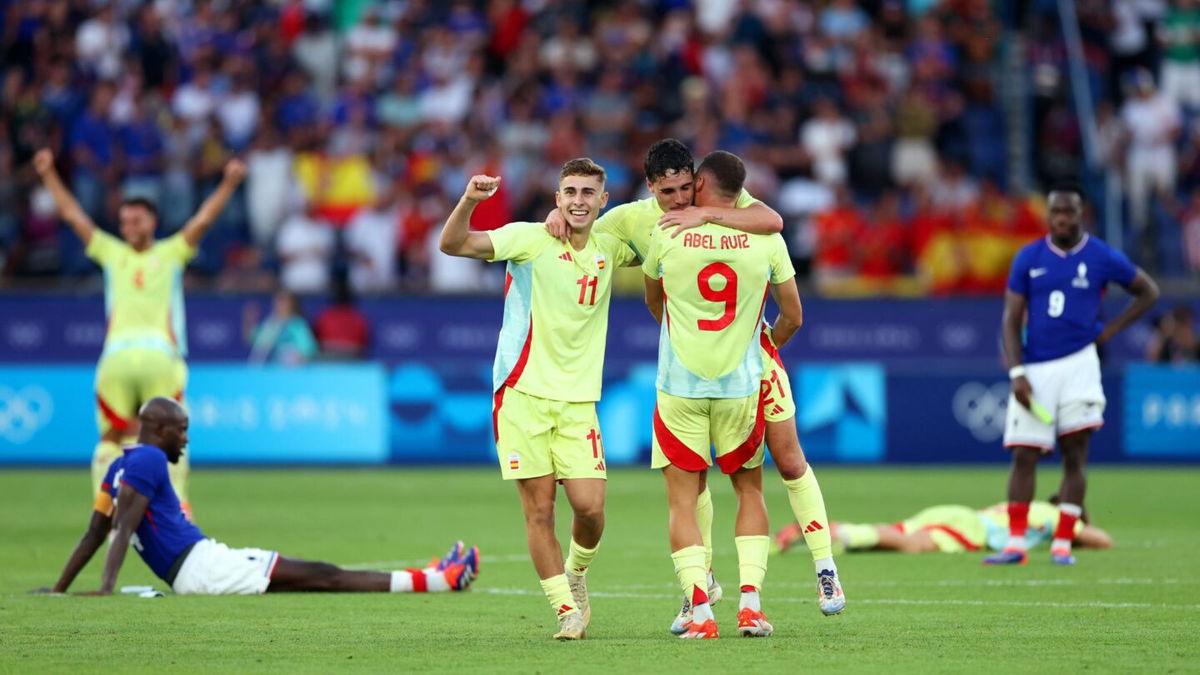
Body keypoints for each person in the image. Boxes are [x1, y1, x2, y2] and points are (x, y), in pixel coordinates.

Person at [551, 139, 844, 629]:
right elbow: (582, 229)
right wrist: (555, 217)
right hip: (705, 357)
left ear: (700, 182)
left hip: (745, 356)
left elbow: (772, 222)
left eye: (688, 188)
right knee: (708, 480)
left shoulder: (727, 206)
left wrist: (707, 219)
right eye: (669, 192)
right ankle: (702, 587)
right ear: (651, 188)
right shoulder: (632, 220)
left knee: (787, 460)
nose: (680, 200)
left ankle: (824, 566)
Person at [438, 159, 637, 640]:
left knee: (590, 509)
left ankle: (576, 573)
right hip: (521, 394)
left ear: (603, 201)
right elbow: (452, 244)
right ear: (557, 197)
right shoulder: (529, 238)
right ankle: (565, 609)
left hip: (578, 402)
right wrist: (469, 200)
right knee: (541, 510)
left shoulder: (613, 246)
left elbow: (663, 227)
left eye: (589, 192)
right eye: (569, 191)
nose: (578, 201)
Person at [33, 398, 479, 596]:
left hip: (204, 564)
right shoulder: (150, 460)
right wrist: (106, 589)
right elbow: (123, 527)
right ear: (160, 430)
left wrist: (58, 590)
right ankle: (439, 580)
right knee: (323, 576)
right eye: (182, 430)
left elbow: (96, 532)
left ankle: (434, 576)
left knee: (318, 579)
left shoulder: (118, 466)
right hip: (203, 570)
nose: (185, 440)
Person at [641, 150, 805, 640]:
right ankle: (751, 607)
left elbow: (653, 297)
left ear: (702, 183)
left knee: (683, 502)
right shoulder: (767, 238)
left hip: (680, 386)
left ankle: (699, 612)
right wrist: (763, 346)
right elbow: (794, 316)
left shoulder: (665, 232)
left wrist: (678, 334)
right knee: (749, 490)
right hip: (741, 386)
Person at [32, 148, 246, 516]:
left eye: (135, 220)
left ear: (152, 221)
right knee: (171, 436)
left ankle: (105, 513)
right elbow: (203, 220)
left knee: (111, 437)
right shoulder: (172, 251)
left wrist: (49, 174)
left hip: (115, 358)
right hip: (160, 356)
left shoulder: (114, 253)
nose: (129, 227)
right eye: (125, 221)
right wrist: (228, 183)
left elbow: (72, 215)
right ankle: (178, 509)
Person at [986, 183, 1159, 566]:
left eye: (1070, 212)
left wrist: (1109, 331)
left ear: (1083, 215)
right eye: (1056, 213)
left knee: (1075, 455)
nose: (1062, 219)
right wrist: (1016, 372)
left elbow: (1148, 291)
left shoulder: (1101, 256)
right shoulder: (1029, 257)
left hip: (1080, 363)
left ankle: (1063, 545)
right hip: (1036, 366)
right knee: (1024, 454)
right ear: (1048, 216)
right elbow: (1011, 320)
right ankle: (1016, 543)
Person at [776, 500, 1113, 555]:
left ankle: (824, 531)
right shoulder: (1055, 514)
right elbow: (1102, 540)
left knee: (894, 533)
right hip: (971, 529)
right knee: (912, 545)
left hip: (958, 513)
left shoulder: (1033, 505)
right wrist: (1078, 529)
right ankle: (838, 535)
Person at [245, 290, 319, 365]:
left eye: (283, 301)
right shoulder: (271, 323)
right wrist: (250, 320)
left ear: (291, 304)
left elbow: (308, 350)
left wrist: (296, 357)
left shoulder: (297, 324)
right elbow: (257, 343)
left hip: (295, 370)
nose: (279, 305)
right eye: (277, 301)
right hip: (274, 369)